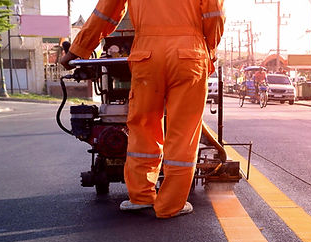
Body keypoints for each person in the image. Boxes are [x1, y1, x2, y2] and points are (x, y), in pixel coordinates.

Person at [59, 0, 225, 218]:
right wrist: (208, 48)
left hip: (146, 55)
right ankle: (170, 205)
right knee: (183, 131)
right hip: (190, 54)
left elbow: (105, 13)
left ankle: (141, 197)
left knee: (143, 125)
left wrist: (78, 50)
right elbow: (215, 14)